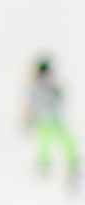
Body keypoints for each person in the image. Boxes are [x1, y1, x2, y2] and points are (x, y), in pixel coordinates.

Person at [24, 57, 76, 187]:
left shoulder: (47, 85)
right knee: (48, 141)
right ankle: (47, 163)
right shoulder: (38, 86)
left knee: (59, 139)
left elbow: (58, 97)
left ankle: (65, 160)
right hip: (48, 119)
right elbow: (34, 102)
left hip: (52, 118)